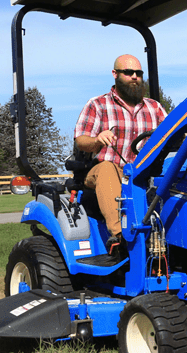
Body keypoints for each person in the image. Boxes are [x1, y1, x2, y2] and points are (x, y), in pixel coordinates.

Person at [74, 54, 167, 254]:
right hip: (105, 170)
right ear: (115, 74)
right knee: (107, 169)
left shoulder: (154, 107)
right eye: (128, 72)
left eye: (138, 73)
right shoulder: (98, 105)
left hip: (143, 172)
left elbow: (171, 136)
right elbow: (81, 140)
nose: (134, 76)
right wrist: (98, 139)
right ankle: (121, 237)